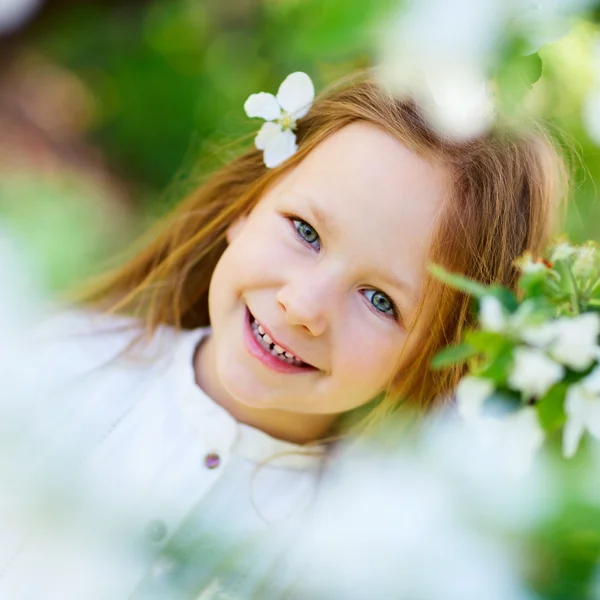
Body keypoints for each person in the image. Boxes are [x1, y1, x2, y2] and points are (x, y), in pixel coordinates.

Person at [0, 71, 567, 599]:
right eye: (305, 231)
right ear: (247, 205)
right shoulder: (47, 367)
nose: (303, 306)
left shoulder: (373, 557)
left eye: (380, 301)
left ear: (435, 356)